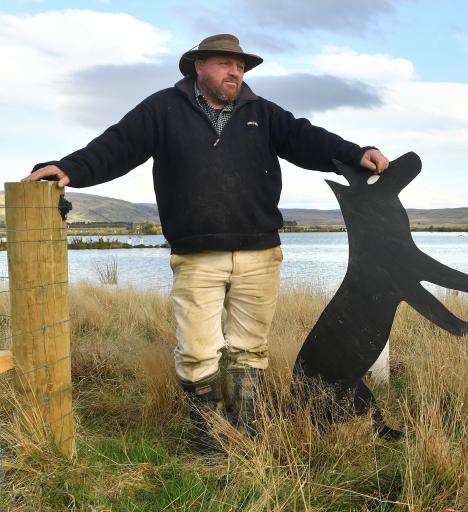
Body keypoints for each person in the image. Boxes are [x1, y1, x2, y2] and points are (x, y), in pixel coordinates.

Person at [24, 33, 389, 453]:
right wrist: (69, 168)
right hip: (197, 256)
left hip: (260, 255)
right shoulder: (162, 109)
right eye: (224, 63)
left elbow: (310, 139)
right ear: (198, 65)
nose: (235, 72)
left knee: (250, 352)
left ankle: (245, 434)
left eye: (241, 66)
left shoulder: (263, 113)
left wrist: (357, 152)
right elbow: (115, 147)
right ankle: (213, 439)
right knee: (198, 353)